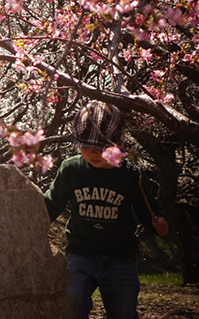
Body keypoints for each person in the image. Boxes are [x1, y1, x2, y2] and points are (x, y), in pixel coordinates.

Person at [44, 100, 169, 318]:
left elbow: (147, 207)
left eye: (100, 148)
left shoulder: (131, 174)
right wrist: (34, 223)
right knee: (71, 300)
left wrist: (157, 221)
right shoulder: (71, 169)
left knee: (123, 309)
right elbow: (51, 204)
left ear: (117, 144)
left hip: (120, 257)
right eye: (86, 146)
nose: (92, 153)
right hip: (80, 253)